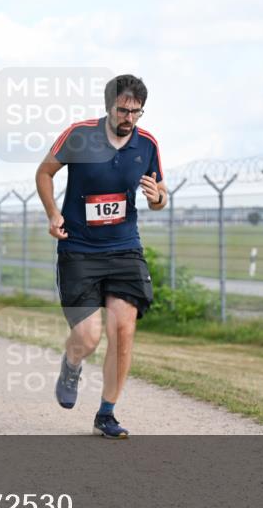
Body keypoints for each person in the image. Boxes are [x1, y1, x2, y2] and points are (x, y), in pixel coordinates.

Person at [35, 74, 167, 439]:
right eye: (123, 110)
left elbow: (160, 196)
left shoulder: (146, 144)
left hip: (124, 248)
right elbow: (44, 173)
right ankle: (72, 363)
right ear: (108, 106)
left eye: (136, 112)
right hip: (79, 248)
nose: (129, 118)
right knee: (88, 336)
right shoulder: (79, 135)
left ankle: (106, 414)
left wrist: (157, 197)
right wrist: (52, 213)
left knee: (123, 330)